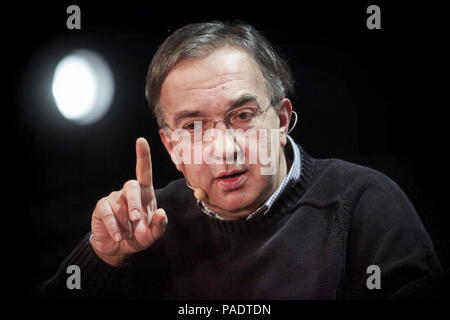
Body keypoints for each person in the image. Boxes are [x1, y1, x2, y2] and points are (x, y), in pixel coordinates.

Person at [37, 21, 441, 299]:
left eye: (242, 117)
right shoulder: (143, 228)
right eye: (193, 127)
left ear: (282, 119)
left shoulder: (364, 205)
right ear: (171, 147)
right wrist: (102, 259)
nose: (224, 149)